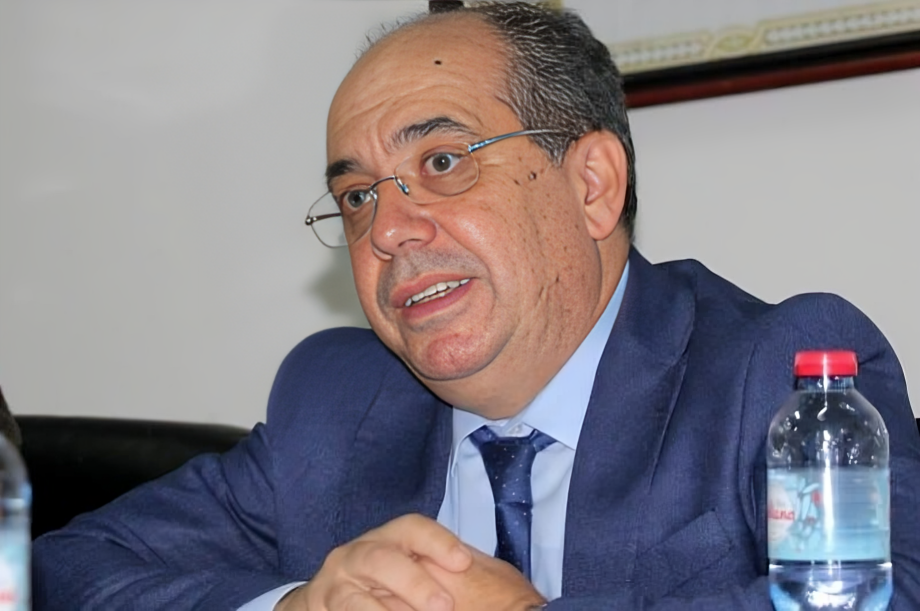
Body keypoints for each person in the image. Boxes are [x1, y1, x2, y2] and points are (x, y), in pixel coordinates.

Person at [33, 3, 920, 610]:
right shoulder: (338, 404)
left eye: (443, 163)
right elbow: (59, 568)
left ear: (592, 184)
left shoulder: (780, 372)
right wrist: (298, 605)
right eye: (357, 196)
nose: (388, 230)